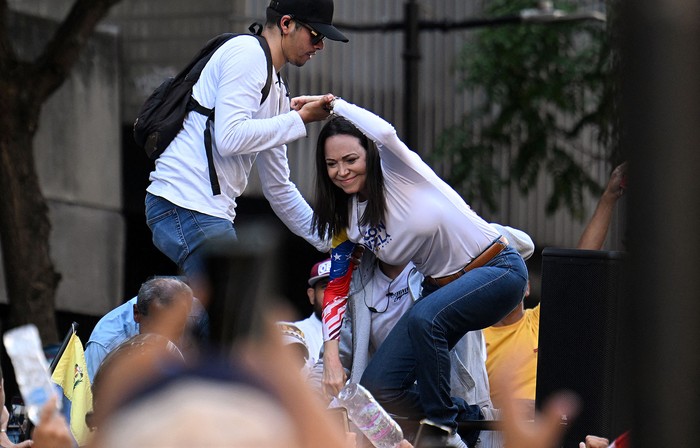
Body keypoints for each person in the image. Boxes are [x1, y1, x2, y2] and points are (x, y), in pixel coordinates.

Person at [303, 94, 529, 448]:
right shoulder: (348, 220)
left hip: (497, 268)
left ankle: (442, 433)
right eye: (332, 164)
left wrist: (334, 105)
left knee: (425, 319)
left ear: (370, 155)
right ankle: (463, 415)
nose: (342, 171)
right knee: (378, 389)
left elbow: (386, 132)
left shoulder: (401, 173)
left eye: (351, 159)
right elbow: (335, 288)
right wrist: (278, 133)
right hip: (439, 292)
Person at [144, 0, 349, 277]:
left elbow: (278, 187)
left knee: (217, 308)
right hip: (183, 201)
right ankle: (136, 318)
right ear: (286, 24)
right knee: (233, 305)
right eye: (316, 34)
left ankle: (146, 313)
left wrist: (332, 241)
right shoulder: (248, 54)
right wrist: (299, 119)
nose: (320, 45)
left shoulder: (276, 88)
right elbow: (229, 138)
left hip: (203, 209)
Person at [483, 162, 626, 417]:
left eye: (512, 271)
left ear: (526, 287)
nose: (503, 279)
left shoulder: (541, 321)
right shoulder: (474, 337)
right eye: (493, 271)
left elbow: (580, 269)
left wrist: (609, 197)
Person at [85, 277, 194, 380]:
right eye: (159, 329)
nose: (166, 338)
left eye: (176, 327)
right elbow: (93, 396)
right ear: (136, 313)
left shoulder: (197, 316)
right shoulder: (105, 344)